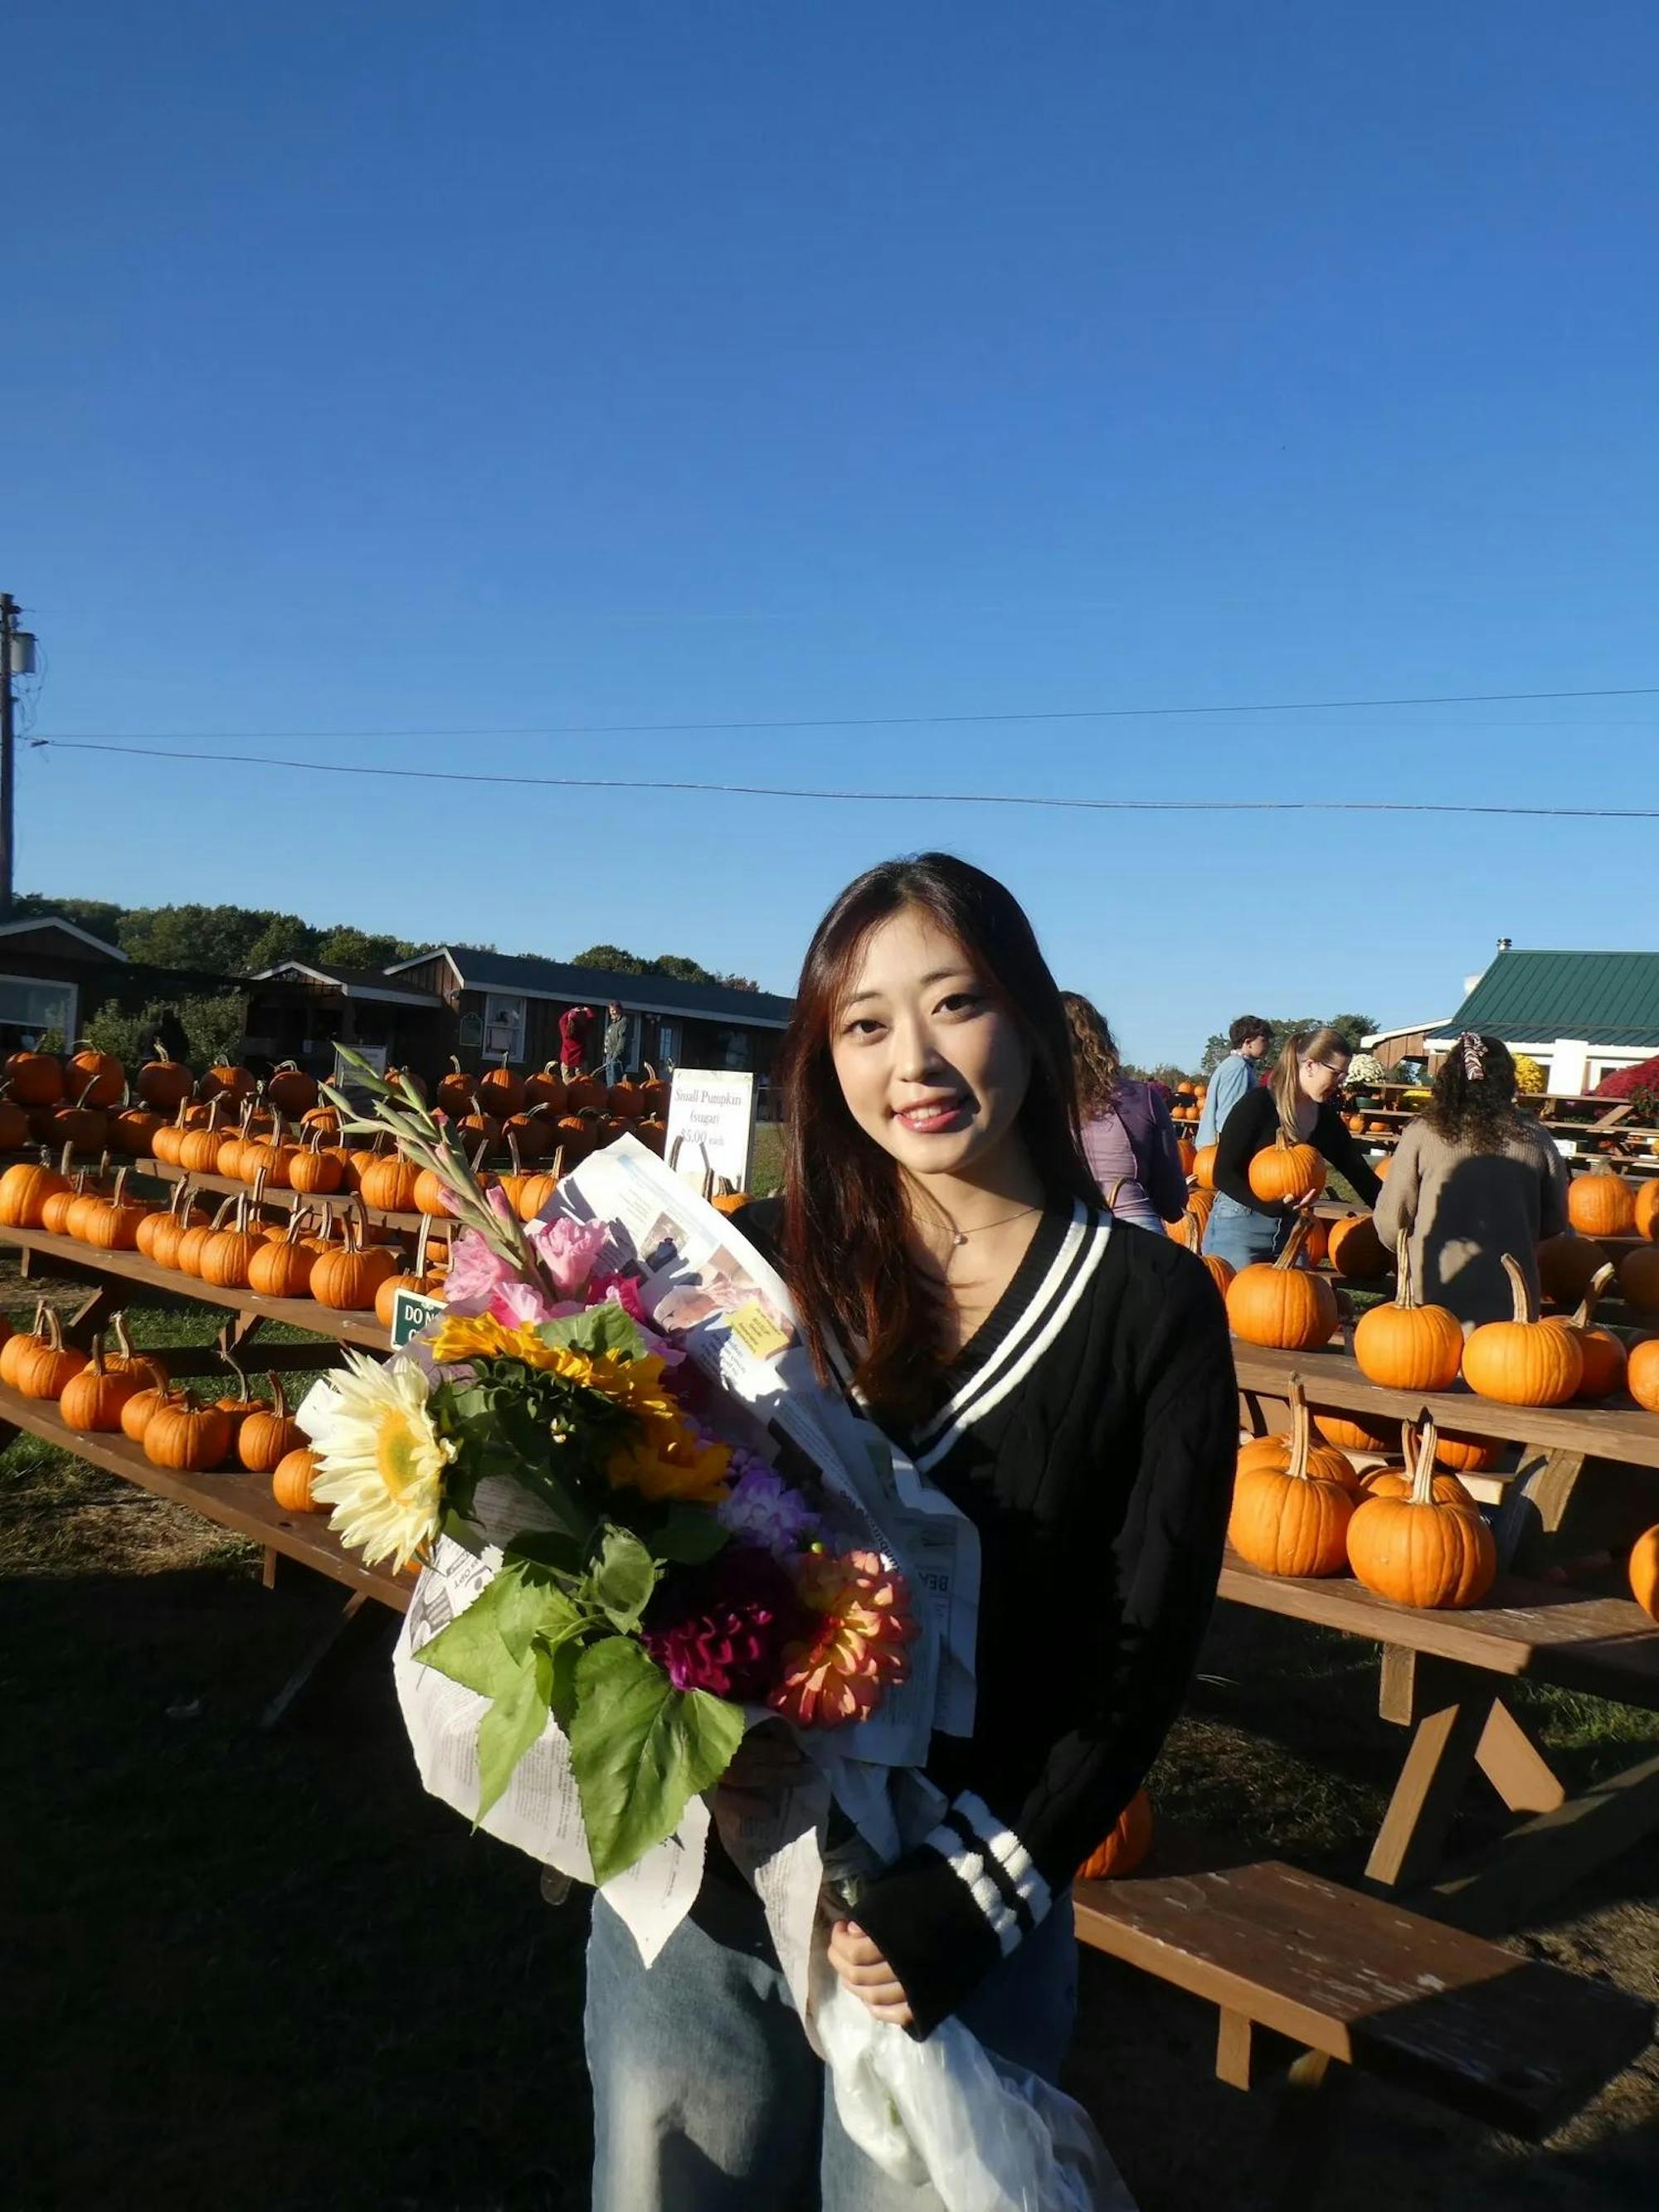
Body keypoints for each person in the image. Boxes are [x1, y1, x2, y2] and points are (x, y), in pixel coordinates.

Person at [585, 852, 1238, 2211]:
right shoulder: (745, 1267)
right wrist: (676, 1753)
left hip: (954, 1923)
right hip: (714, 1890)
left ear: (1030, 1014)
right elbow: (632, 1539)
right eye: (868, 1022)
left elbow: (1140, 1646)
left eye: (957, 1002)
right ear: (823, 1054)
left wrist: (976, 1892)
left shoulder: (1148, 1306)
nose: (917, 1058)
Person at [1373, 1032, 1569, 1325]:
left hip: (1433, 1297)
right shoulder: (1535, 1137)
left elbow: (1392, 1222)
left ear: (1449, 1077)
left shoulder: (1423, 1133)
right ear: (1507, 1080)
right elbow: (1555, 1220)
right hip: (1511, 1302)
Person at [1204, 1024, 1384, 1272]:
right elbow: (1222, 1174)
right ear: (1310, 1065)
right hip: (1240, 1225)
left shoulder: (1325, 1120)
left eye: (1344, 1076)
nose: (1340, 1084)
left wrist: (1401, 1216)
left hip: (1291, 1229)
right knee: (1231, 1305)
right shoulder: (1258, 1106)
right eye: (1336, 1074)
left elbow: (1361, 1176)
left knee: (1297, 1304)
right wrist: (1271, 1206)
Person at [1062, 991, 1189, 1231]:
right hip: (1137, 1230)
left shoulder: (1029, 1102)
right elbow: (1172, 1203)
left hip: (1064, 1234)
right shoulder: (1143, 1097)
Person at [1195, 1016, 1273, 1148]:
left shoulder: (1237, 1065)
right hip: (1220, 1149)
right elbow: (1230, 1116)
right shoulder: (1238, 1068)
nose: (1268, 1044)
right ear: (1248, 1042)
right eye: (1264, 1040)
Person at [558, 1003, 594, 1076]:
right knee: (581, 1084)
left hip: (567, 1059)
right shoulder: (584, 1030)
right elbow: (591, 1018)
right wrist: (587, 1010)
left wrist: (571, 1011)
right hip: (580, 1060)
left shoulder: (565, 1031)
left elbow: (562, 1020)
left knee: (567, 1085)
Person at [601, 1000, 628, 1090]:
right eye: (610, 1010)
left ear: (619, 1010)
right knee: (609, 1081)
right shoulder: (613, 1024)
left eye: (614, 1010)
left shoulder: (623, 1021)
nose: (612, 1012)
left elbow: (622, 1039)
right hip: (609, 1055)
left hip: (616, 1057)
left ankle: (616, 1099)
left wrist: (616, 1054)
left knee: (615, 1081)